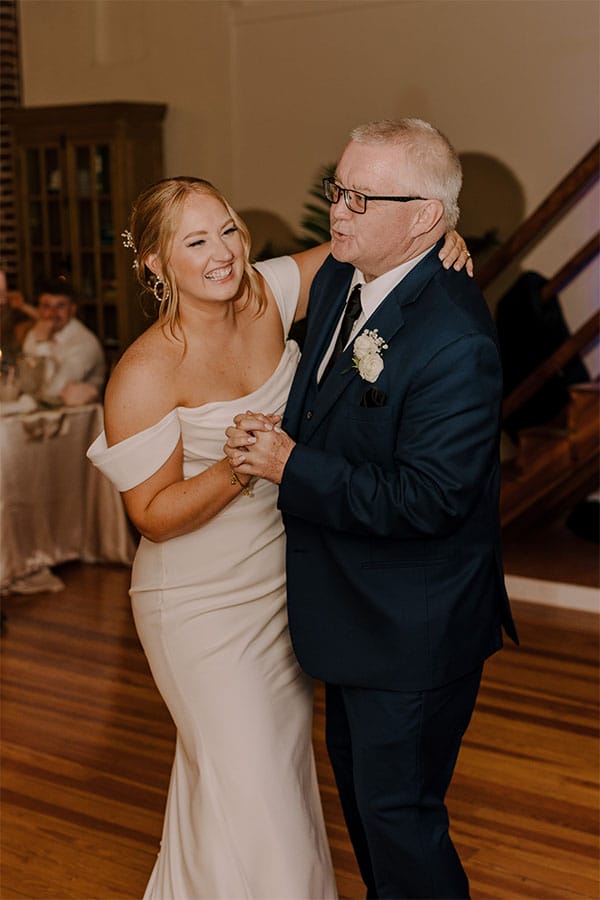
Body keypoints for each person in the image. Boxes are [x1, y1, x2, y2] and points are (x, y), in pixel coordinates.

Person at [85, 174, 471, 898]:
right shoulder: (144, 371)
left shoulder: (265, 292)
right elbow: (151, 514)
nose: (223, 252)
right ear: (156, 264)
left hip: (284, 584)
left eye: (227, 228)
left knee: (265, 787)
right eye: (195, 241)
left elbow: (362, 245)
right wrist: (246, 466)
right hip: (199, 603)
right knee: (252, 788)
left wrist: (432, 236)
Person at [225, 119, 519, 900]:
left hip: (412, 627)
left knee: (401, 820)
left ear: (426, 217)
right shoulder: (338, 280)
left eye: (361, 196)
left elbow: (431, 498)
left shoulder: (455, 338)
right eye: (338, 189)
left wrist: (292, 464)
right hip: (352, 614)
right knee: (369, 810)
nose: (339, 211)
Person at [21, 277, 105, 403]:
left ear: (72, 309)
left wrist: (43, 344)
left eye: (60, 306)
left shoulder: (84, 342)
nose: (52, 313)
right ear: (39, 309)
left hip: (77, 419)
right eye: (46, 306)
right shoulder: (34, 334)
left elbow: (52, 392)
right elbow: (25, 384)